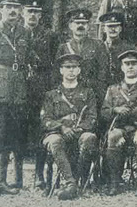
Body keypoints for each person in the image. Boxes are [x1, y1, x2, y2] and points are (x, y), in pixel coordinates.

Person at [0, 0, 31, 197]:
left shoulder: (24, 32)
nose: (13, 10)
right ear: (1, 9)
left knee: (9, 135)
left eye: (16, 7)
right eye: (8, 7)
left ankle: (2, 181)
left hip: (17, 88)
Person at [39, 53, 99, 200]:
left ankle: (77, 181)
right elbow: (45, 118)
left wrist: (79, 129)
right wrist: (62, 128)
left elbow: (92, 117)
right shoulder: (51, 95)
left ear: (79, 70)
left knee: (89, 138)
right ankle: (71, 183)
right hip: (56, 133)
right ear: (61, 71)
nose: (71, 70)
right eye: (67, 67)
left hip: (80, 132)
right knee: (55, 142)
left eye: (74, 67)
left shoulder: (88, 92)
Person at [100, 50, 137, 196]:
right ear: (122, 67)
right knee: (113, 136)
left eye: (134, 64)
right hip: (120, 128)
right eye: (127, 64)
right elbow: (104, 112)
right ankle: (114, 183)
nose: (130, 67)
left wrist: (131, 113)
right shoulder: (113, 89)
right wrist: (115, 109)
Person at [21, 0, 57, 190]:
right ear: (23, 13)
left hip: (42, 88)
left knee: (40, 130)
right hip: (20, 88)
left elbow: (54, 64)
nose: (32, 15)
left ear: (41, 15)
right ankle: (18, 177)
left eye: (36, 12)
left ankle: (39, 175)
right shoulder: (18, 33)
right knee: (19, 131)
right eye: (29, 11)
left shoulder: (49, 35)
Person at [57, 9, 107, 95]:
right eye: (77, 23)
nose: (80, 26)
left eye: (84, 23)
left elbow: (103, 72)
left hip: (92, 92)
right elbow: (57, 74)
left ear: (88, 26)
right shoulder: (63, 48)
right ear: (70, 26)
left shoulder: (98, 45)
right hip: (70, 92)